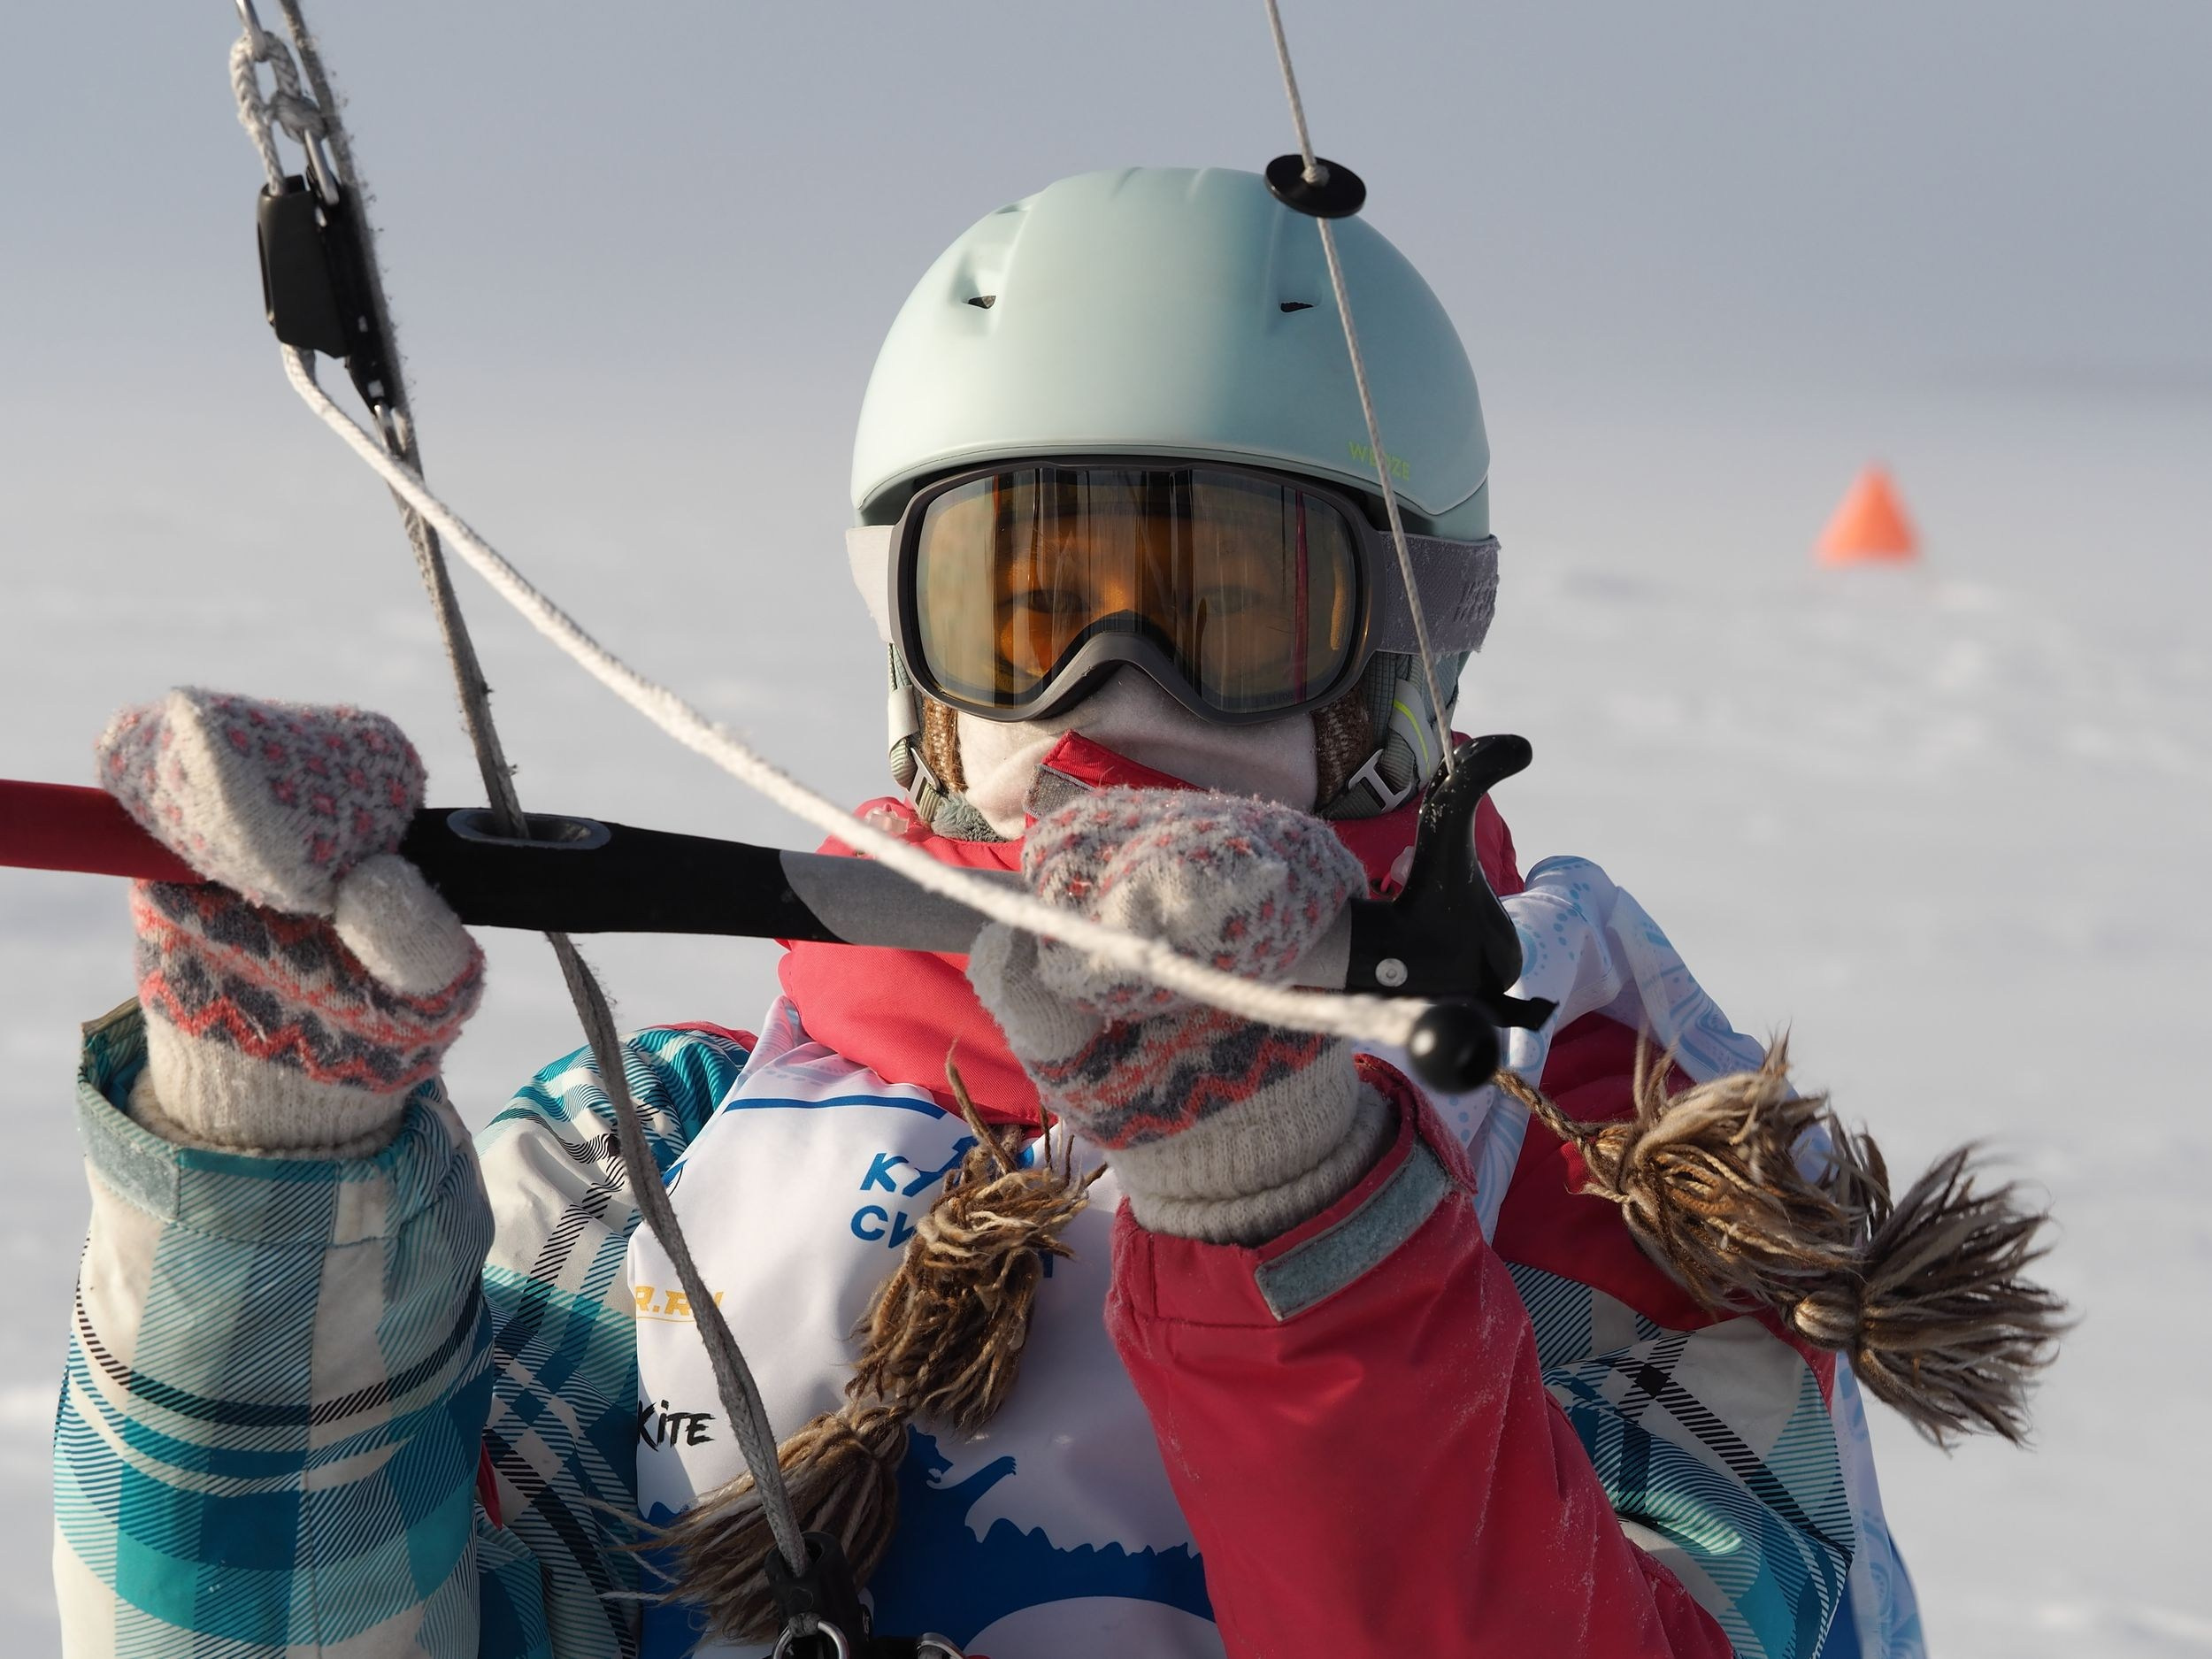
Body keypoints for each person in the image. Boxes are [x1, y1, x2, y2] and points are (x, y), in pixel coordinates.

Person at [53, 167, 1932, 1658]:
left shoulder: (1620, 1171)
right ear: (916, 683)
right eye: (1023, 608)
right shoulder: (648, 1173)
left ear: (1404, 669)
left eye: (1232, 604)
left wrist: (1289, 1209)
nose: (1115, 694)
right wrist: (268, 1185)